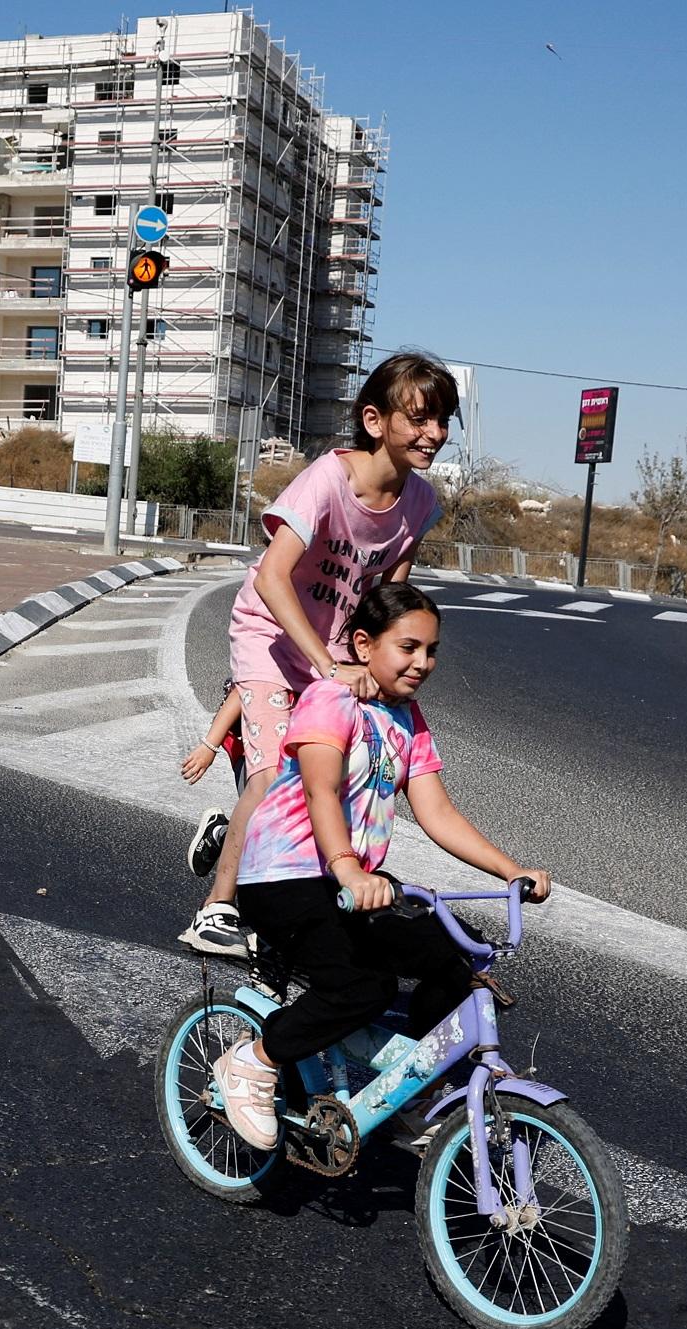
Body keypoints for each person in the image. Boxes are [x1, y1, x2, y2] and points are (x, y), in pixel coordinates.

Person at [207, 583, 551, 1151]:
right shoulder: (328, 699)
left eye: (432, 650)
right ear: (364, 645)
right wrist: (347, 868)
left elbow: (436, 811)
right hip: (283, 878)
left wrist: (510, 871)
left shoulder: (407, 719)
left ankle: (411, 1091)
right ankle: (253, 1059)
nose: (423, 663)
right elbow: (321, 791)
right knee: (358, 988)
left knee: (454, 961)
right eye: (409, 647)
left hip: (347, 886)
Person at [179, 351, 459, 958]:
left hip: (335, 648)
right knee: (276, 769)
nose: (433, 434)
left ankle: (241, 838)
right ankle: (217, 908)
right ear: (376, 421)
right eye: (419, 419)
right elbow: (274, 578)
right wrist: (329, 666)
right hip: (269, 636)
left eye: (442, 422)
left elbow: (388, 602)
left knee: (335, 769)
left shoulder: (418, 504)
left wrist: (382, 671)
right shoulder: (328, 480)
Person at [179, 684, 247, 877]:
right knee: (262, 824)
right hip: (253, 746)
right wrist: (209, 746)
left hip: (309, 744)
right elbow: (244, 689)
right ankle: (221, 834)